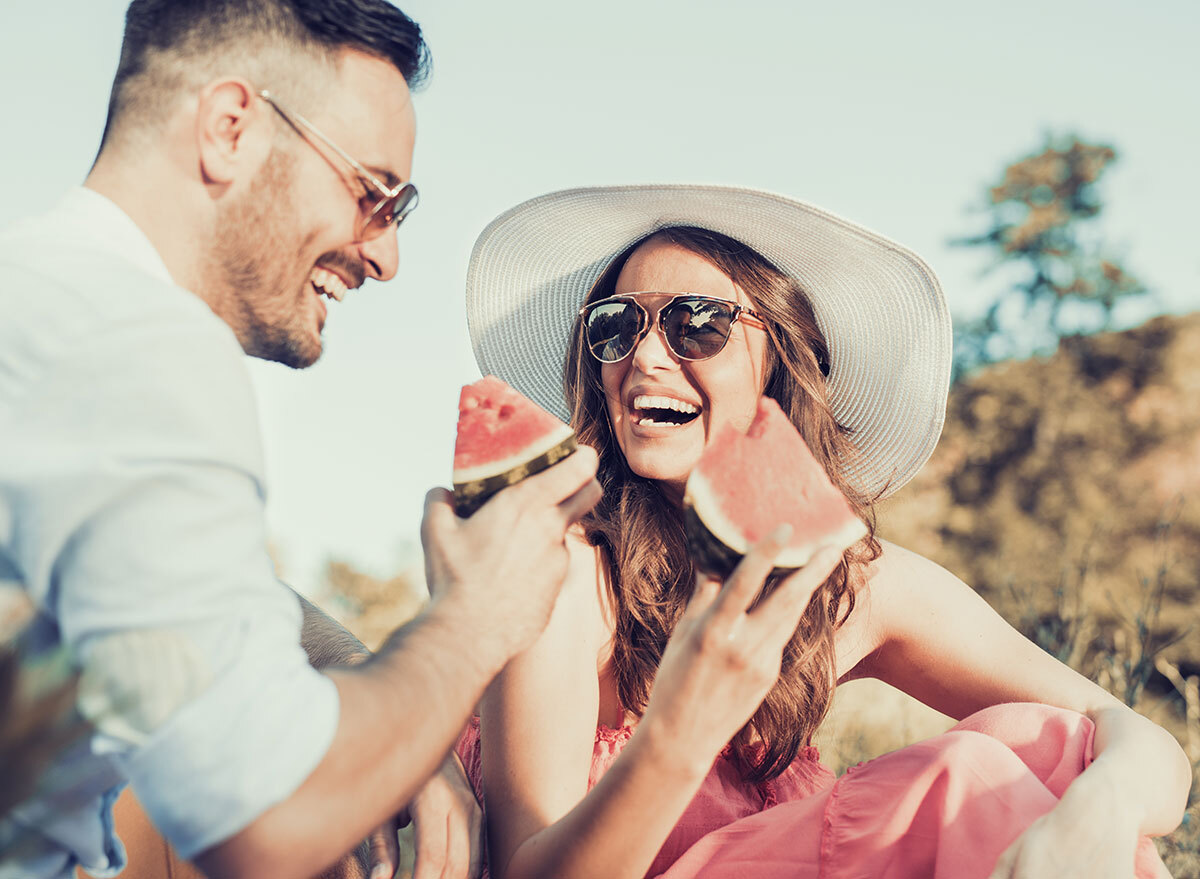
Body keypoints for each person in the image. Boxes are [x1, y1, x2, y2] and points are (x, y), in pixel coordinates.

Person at [0, 2, 600, 878]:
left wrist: (383, 697)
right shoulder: (141, 349)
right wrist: (476, 618)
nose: (387, 255)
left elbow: (191, 596)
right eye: (373, 194)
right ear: (230, 128)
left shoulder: (48, 301)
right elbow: (264, 818)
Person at [454, 185, 1193, 878]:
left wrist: (1100, 809)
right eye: (615, 326)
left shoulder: (843, 580)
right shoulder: (565, 564)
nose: (645, 356)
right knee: (960, 779)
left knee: (1051, 745)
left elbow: (1129, 736)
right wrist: (681, 723)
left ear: (782, 361)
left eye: (696, 322)